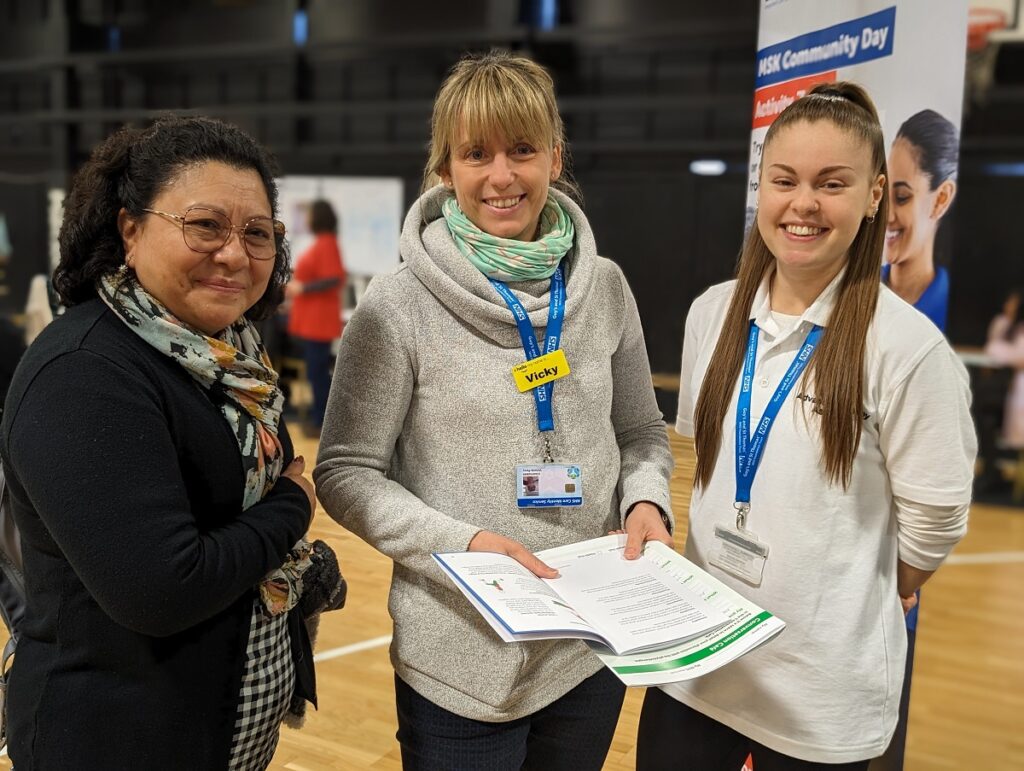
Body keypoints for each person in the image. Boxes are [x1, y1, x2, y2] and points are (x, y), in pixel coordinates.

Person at [314, 50, 673, 770]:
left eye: (522, 150)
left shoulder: (604, 287)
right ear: (445, 168)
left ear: (554, 157)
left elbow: (641, 433)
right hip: (460, 662)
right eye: (477, 153)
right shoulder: (398, 304)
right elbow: (346, 471)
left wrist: (648, 502)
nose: (502, 175)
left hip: (587, 645)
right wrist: (463, 543)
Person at [637, 83, 976, 769]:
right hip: (696, 668)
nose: (802, 204)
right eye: (784, 180)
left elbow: (934, 523)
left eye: (832, 183)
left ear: (875, 194)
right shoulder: (713, 313)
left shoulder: (907, 349)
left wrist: (862, 582)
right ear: (761, 186)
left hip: (819, 699)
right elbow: (710, 458)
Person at [0, 116, 344, 770]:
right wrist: (293, 504)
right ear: (129, 229)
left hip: (207, 726)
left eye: (257, 232)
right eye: (205, 225)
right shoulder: (83, 373)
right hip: (110, 738)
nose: (236, 253)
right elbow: (163, 588)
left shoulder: (222, 355)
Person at [882, 109, 959, 331]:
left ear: (941, 199)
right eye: (883, 194)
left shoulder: (947, 311)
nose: (887, 215)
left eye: (902, 197)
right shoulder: (857, 289)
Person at [286, 199, 346, 433]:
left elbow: (334, 278)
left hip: (318, 322)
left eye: (310, 214)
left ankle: (323, 420)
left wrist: (303, 288)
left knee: (317, 372)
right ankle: (317, 414)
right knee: (315, 371)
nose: (307, 218)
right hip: (312, 321)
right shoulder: (323, 243)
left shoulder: (327, 243)